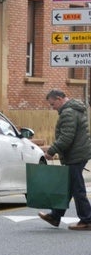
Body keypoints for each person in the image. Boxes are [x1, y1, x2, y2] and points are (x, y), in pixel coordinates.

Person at [38, 89, 91, 230]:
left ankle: (87, 220)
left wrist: (51, 151)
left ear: (60, 99)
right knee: (67, 187)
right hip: (79, 153)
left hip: (76, 155)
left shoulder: (68, 112)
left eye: (53, 104)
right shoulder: (74, 110)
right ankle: (55, 216)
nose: (53, 107)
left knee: (77, 189)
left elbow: (66, 137)